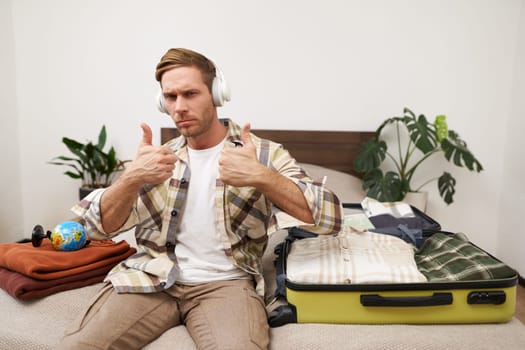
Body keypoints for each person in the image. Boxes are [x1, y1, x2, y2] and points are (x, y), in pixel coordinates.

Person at [58, 48, 342, 350]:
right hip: (154, 277)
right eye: (171, 97)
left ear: (217, 95)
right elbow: (96, 228)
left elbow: (331, 218)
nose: (179, 107)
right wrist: (132, 177)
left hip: (226, 283)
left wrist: (261, 175)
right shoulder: (158, 158)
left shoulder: (260, 154)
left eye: (190, 94)